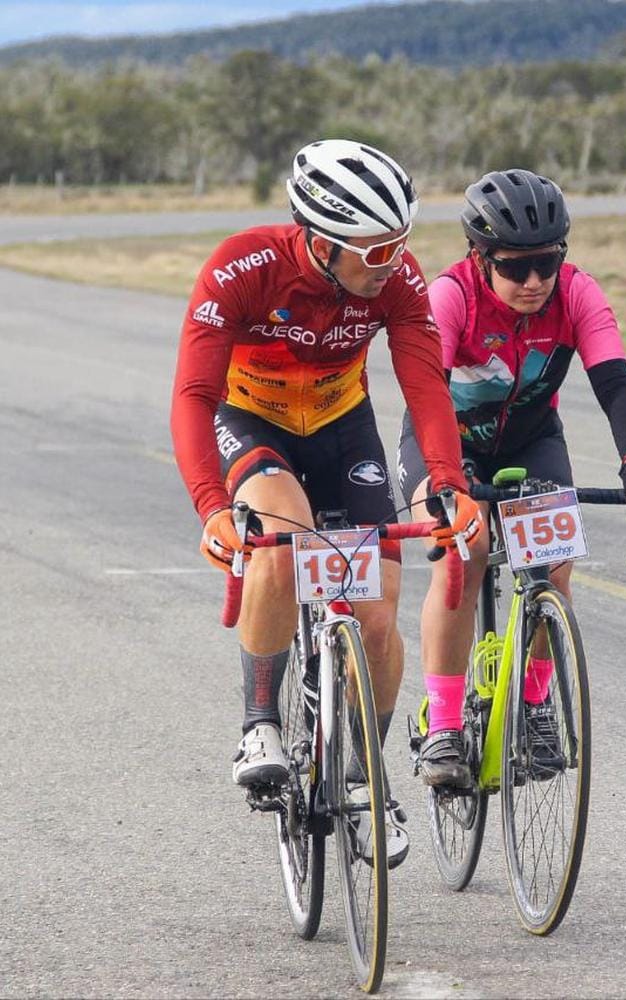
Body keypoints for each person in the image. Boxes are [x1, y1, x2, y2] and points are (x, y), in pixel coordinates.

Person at [170, 139, 481, 866]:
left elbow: (426, 384)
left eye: (400, 245)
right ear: (321, 238)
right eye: (374, 251)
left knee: (377, 617)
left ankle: (365, 779)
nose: (393, 263)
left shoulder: (395, 278)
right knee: (283, 549)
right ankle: (259, 723)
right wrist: (212, 505)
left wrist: (446, 481)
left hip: (343, 427)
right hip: (253, 423)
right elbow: (193, 394)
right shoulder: (243, 267)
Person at [397, 168, 626, 787]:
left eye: (546, 263)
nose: (534, 282)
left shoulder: (577, 294)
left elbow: (615, 384)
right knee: (464, 551)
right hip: (444, 439)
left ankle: (538, 706)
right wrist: (447, 475)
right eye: (516, 268)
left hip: (530, 436)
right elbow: (427, 391)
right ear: (479, 255)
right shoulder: (451, 296)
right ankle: (441, 725)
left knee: (554, 562)